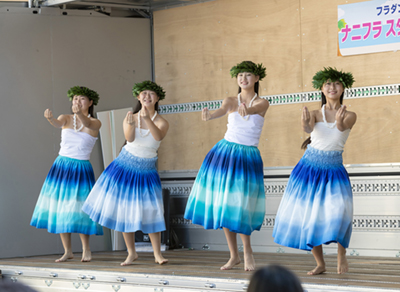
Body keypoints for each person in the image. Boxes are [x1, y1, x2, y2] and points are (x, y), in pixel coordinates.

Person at [184, 61, 269, 271]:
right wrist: (211, 115)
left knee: (240, 206)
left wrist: (246, 109)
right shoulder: (231, 100)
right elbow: (224, 109)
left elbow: (254, 109)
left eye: (248, 75)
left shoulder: (263, 102)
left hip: (247, 157)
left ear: (257, 78)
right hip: (225, 153)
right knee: (225, 204)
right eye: (240, 75)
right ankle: (234, 256)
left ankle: (247, 251)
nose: (243, 79)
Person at [273, 67, 357, 275]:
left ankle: (341, 253)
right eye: (328, 83)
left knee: (340, 213)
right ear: (321, 88)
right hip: (309, 169)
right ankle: (320, 263)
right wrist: (304, 123)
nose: (332, 87)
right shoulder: (314, 113)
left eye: (336, 83)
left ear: (343, 87)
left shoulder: (351, 115)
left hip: (334, 169)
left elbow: (341, 127)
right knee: (311, 217)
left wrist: (338, 121)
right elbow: (308, 129)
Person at [82, 81, 169, 266]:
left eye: (151, 94)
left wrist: (146, 119)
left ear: (157, 98)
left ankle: (157, 254)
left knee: (152, 211)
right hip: (125, 167)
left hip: (147, 170)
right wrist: (132, 123)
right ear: (138, 97)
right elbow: (129, 138)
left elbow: (158, 137)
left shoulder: (161, 121)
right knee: (124, 210)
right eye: (143, 93)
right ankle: (131, 253)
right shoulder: (130, 117)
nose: (147, 96)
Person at [30, 86, 103, 263]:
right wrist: (50, 119)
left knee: (80, 210)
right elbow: (57, 123)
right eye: (75, 99)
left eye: (82, 99)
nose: (77, 102)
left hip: (81, 168)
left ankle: (86, 250)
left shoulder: (95, 122)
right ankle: (67, 251)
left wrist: (79, 114)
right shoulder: (66, 118)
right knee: (61, 207)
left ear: (91, 102)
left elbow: (86, 124)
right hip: (62, 166)